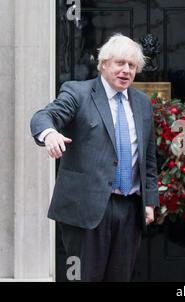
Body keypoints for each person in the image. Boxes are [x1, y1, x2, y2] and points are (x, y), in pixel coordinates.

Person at [30, 34, 159, 281]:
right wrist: (49, 134)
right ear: (103, 64)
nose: (125, 70)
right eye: (119, 63)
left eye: (131, 66)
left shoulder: (142, 103)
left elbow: (148, 158)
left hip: (130, 209)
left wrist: (150, 201)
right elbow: (43, 117)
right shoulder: (78, 93)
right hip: (86, 210)